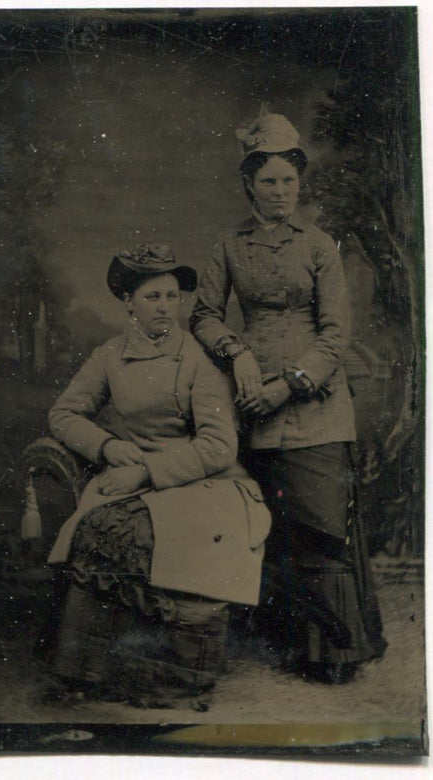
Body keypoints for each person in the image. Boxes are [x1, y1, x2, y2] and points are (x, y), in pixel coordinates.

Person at [190, 111, 386, 684]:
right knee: (267, 523)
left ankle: (335, 650)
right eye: (269, 181)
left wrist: (289, 384)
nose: (281, 192)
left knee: (321, 523)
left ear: (301, 184)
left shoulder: (320, 245)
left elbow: (335, 334)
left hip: (316, 404)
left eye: (290, 181)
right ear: (249, 183)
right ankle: (278, 636)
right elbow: (202, 312)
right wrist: (237, 352)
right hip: (249, 402)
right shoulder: (230, 245)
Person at [45, 243, 271, 708]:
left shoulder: (197, 358)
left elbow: (218, 445)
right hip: (135, 476)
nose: (165, 307)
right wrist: (107, 446)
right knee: (96, 528)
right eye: (152, 298)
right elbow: (64, 414)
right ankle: (85, 670)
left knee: (141, 532)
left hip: (205, 480)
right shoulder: (110, 355)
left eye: (172, 296)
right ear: (128, 302)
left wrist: (146, 472)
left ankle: (169, 670)